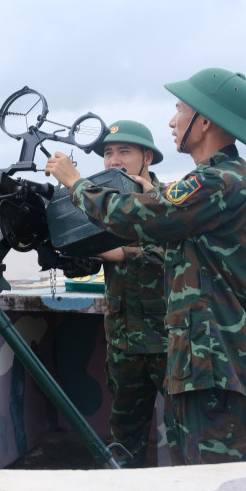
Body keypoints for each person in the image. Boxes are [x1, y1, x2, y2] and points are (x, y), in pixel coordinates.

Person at [45, 68, 246, 465]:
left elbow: (143, 219)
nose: (172, 121)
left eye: (180, 110)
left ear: (204, 121)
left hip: (219, 370)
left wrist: (75, 183)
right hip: (205, 366)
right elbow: (167, 218)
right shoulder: (218, 180)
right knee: (193, 483)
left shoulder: (220, 181)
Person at [93, 120, 168, 468]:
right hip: (123, 342)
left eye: (124, 151)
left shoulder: (170, 200)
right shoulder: (102, 209)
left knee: (184, 431)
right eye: (108, 153)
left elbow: (169, 253)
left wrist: (119, 252)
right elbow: (83, 258)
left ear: (147, 157)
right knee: (124, 438)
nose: (113, 160)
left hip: (170, 341)